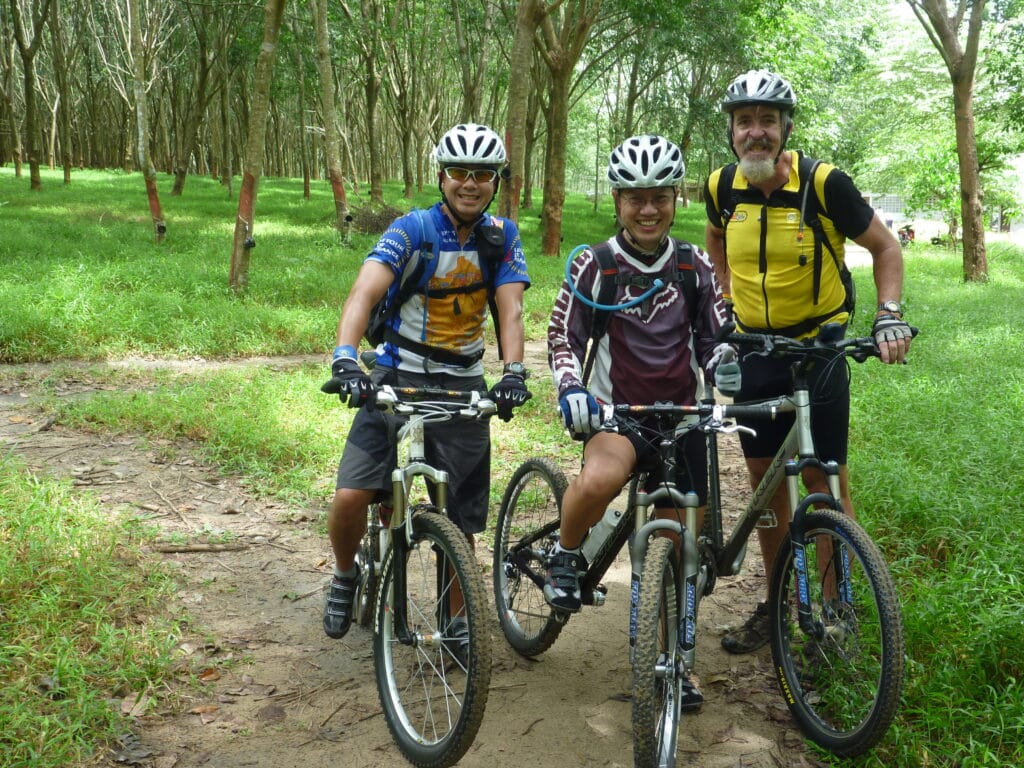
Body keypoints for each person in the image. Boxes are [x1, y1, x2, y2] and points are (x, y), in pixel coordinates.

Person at [704, 70, 913, 654]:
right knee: (765, 487)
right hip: (753, 352)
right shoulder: (722, 187)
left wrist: (888, 313)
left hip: (818, 349)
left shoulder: (823, 184)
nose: (756, 132)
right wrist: (723, 296)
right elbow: (715, 240)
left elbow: (885, 247)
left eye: (767, 120)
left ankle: (834, 611)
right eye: (745, 121)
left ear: (785, 127)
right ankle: (776, 608)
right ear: (732, 132)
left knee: (824, 481)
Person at [321, 123, 532, 649]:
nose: (470, 183)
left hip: (462, 384)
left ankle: (459, 625)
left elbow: (511, 310)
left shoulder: (502, 237)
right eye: (459, 172)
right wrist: (347, 358)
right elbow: (363, 292)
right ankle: (345, 574)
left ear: (495, 182)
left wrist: (512, 374)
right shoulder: (412, 228)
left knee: (459, 526)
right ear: (441, 176)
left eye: (482, 174)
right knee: (351, 496)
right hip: (397, 374)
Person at [547, 135, 730, 708]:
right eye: (634, 198)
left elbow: (713, 338)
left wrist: (725, 365)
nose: (648, 209)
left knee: (681, 551)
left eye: (659, 197)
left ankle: (677, 664)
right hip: (614, 413)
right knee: (601, 482)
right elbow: (562, 336)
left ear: (675, 198)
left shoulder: (693, 264)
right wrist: (572, 387)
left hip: (681, 419)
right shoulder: (594, 264)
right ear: (617, 199)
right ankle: (567, 552)